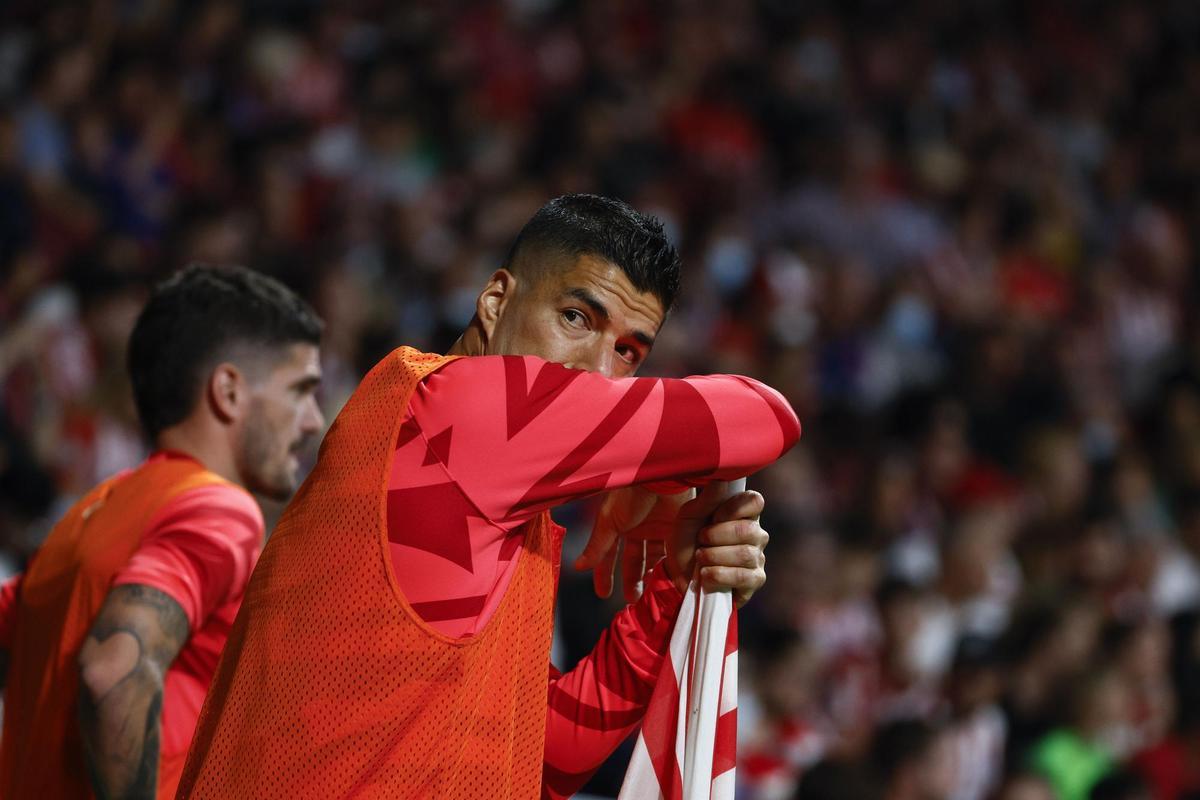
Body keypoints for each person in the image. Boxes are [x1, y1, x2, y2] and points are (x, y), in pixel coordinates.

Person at [179, 194, 801, 798]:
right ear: (495, 300)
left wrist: (675, 581)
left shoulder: (483, 485)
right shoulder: (461, 413)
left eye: (628, 352)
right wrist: (650, 473)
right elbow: (766, 416)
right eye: (576, 319)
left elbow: (544, 757)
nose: (595, 372)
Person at [0, 264, 324, 800]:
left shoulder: (98, 507)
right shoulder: (220, 509)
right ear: (229, 391)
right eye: (299, 390)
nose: (312, 419)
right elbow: (113, 668)